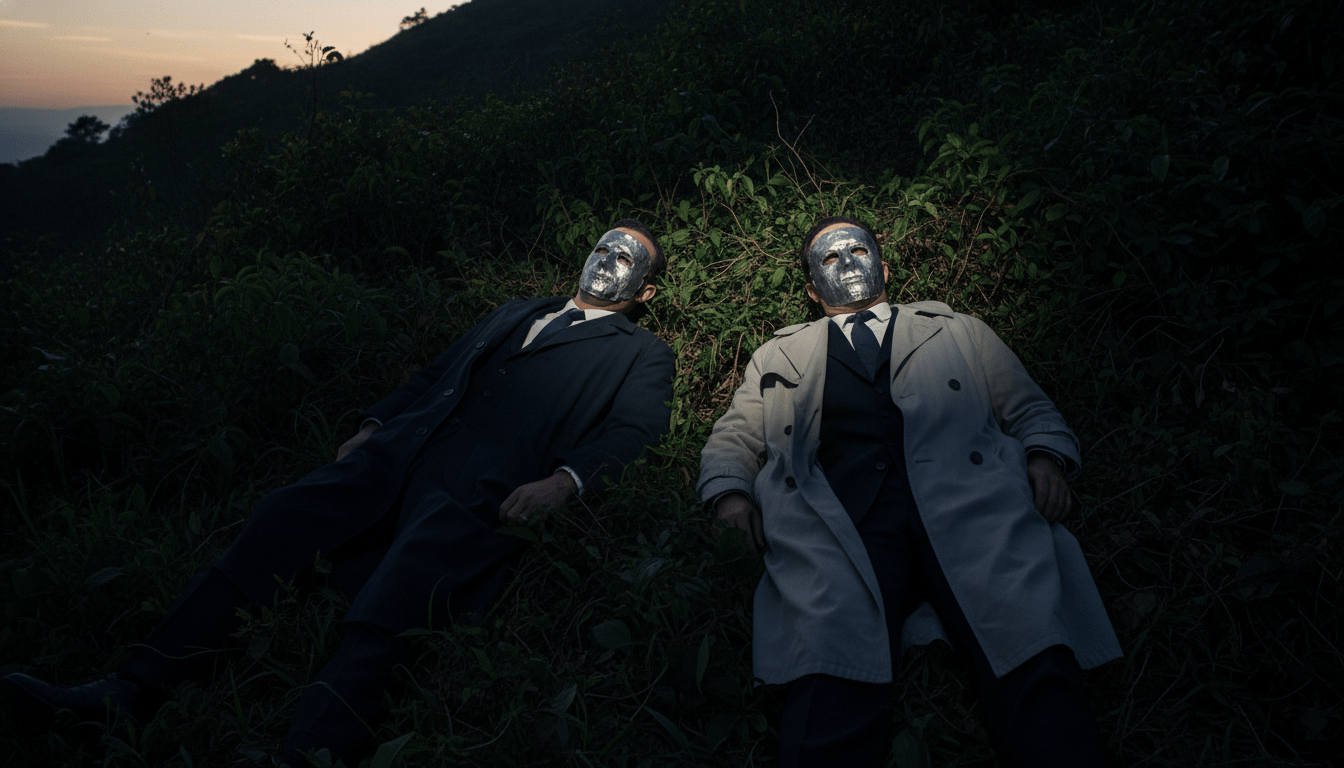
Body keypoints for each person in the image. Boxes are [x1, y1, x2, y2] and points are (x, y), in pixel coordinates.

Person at [2, 220, 676, 766]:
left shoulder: (638, 352)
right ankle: (126, 691)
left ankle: (310, 755)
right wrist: (373, 426)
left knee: (393, 604)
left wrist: (564, 481)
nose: (606, 262)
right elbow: (433, 375)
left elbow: (636, 433)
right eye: (602, 247)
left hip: (478, 489)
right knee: (278, 524)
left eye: (627, 259)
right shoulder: (515, 310)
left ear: (645, 292)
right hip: (393, 455)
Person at [698, 216, 1122, 767]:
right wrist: (730, 495)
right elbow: (734, 433)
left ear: (885, 266)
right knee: (831, 672)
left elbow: (1029, 406)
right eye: (829, 258)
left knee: (1029, 656)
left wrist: (1045, 458)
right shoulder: (779, 354)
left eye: (858, 249)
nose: (847, 261)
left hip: (972, 505)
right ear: (810, 289)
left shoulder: (958, 330)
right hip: (837, 523)